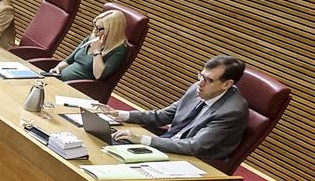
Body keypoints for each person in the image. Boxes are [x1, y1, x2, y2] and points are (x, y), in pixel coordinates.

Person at [104, 55, 251, 165]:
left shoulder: (232, 112)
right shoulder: (198, 89)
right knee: (108, 142)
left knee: (117, 158)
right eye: (201, 75)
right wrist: (121, 114)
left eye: (209, 80)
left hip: (195, 160)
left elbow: (194, 146)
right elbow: (164, 115)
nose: (200, 83)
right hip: (171, 142)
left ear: (227, 84)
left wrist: (142, 140)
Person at [52, 10, 132, 84]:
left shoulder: (119, 51)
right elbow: (69, 60)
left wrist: (97, 51)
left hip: (77, 88)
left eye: (99, 28)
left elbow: (99, 76)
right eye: (94, 26)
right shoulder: (92, 37)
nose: (94, 31)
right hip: (60, 80)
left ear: (112, 31)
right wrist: (58, 68)